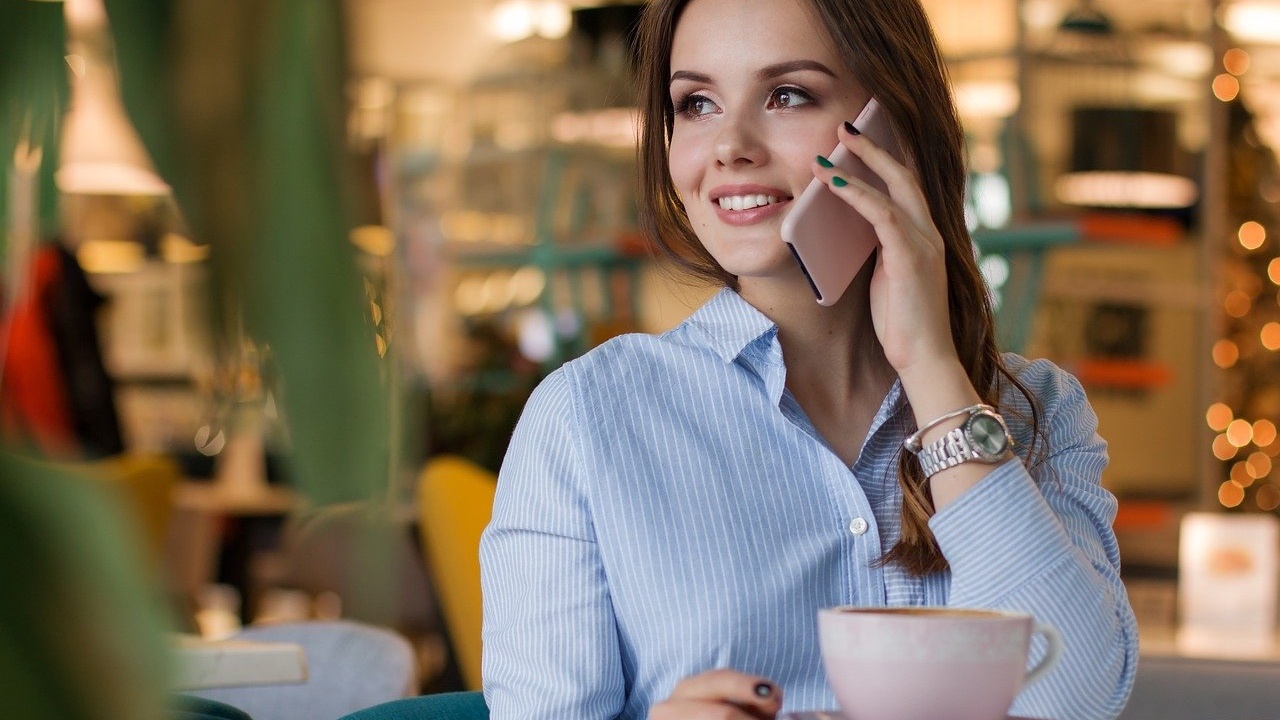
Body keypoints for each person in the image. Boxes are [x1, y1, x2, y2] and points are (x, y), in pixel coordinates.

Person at [479, 0, 1139, 717]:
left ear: (893, 129)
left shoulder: (1033, 410)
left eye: (788, 95)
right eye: (696, 103)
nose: (729, 145)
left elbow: (1076, 704)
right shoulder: (586, 417)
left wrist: (931, 370)